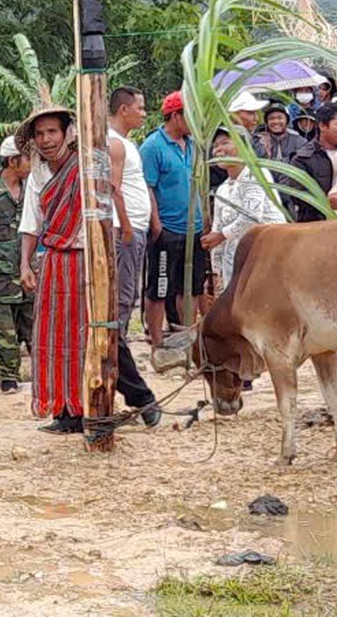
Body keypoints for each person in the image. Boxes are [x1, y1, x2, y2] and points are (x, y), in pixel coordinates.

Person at [17, 106, 86, 434]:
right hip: (56, 261)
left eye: (52, 132)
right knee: (52, 337)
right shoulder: (38, 175)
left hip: (90, 260)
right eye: (40, 134)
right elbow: (32, 223)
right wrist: (25, 263)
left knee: (90, 334)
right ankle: (63, 410)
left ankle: (95, 404)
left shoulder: (87, 166)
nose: (46, 140)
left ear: (66, 133)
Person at [106, 87, 160, 426]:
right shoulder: (114, 144)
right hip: (124, 231)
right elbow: (113, 187)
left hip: (135, 229)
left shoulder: (126, 143)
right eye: (140, 108)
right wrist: (126, 225)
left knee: (126, 303)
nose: (143, 113)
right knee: (122, 305)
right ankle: (118, 380)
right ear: (124, 109)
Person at [140, 91, 204, 354]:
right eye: (190, 115)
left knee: (191, 286)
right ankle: (156, 340)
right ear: (176, 115)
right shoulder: (153, 146)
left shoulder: (193, 144)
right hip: (168, 227)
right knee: (159, 286)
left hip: (195, 226)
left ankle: (186, 335)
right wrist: (156, 225)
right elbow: (148, 187)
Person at [202, 128, 287, 291]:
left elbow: (251, 217)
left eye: (225, 143)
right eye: (215, 146)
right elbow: (216, 231)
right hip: (235, 265)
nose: (218, 149)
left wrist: (220, 236)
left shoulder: (255, 174)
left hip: (266, 258)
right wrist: (216, 273)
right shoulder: (222, 189)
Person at [0, 136, 33, 395]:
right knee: (3, 331)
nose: (32, 163)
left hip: (29, 270)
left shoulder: (33, 188)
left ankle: (44, 378)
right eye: (28, 158)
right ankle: (8, 380)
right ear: (13, 161)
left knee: (34, 327)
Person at [283, 104, 337, 222]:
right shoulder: (303, 158)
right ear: (322, 126)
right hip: (316, 225)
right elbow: (296, 194)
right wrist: (325, 202)